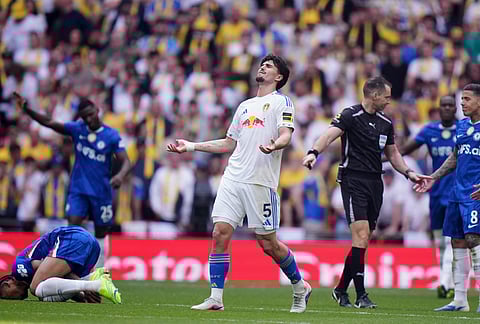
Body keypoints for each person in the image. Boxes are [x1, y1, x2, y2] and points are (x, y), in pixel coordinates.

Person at [167, 54, 312, 313]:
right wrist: (191, 146)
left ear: (278, 77)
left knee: (268, 244)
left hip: (260, 182)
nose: (263, 67)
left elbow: (286, 135)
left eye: (269, 66)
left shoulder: (282, 102)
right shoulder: (244, 105)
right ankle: (216, 297)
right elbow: (228, 143)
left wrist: (273, 145)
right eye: (262, 64)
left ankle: (300, 286)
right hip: (233, 177)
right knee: (219, 232)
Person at [302, 76, 428, 308]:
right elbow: (329, 135)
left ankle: (341, 289)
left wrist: (410, 173)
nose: (389, 101)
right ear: (374, 95)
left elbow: (393, 155)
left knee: (364, 239)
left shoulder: (386, 123)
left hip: (375, 183)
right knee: (360, 236)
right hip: (353, 179)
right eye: (387, 97)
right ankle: (361, 295)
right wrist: (313, 152)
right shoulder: (350, 115)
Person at [13, 92, 131, 268]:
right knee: (72, 229)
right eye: (85, 117)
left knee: (101, 232)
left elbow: (126, 161)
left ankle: (99, 273)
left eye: (91, 114)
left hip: (101, 192)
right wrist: (27, 110)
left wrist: (120, 176)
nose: (89, 119)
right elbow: (49, 123)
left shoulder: (111, 135)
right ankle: (68, 271)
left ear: (97, 110)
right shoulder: (78, 129)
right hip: (78, 190)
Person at [415, 83, 480, 312]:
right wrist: (434, 176)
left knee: (474, 239)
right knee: (457, 241)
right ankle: (460, 300)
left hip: (475, 193)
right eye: (462, 99)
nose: (462, 103)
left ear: (479, 102)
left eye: (467, 99)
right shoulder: (461, 126)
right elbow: (455, 156)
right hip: (457, 192)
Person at [400, 95, 457, 299]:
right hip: (435, 193)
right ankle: (447, 282)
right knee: (440, 241)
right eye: (444, 105)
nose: (448, 108)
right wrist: (379, 158)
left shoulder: (464, 131)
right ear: (439, 108)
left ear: (456, 108)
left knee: (452, 239)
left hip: (456, 193)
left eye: (451, 105)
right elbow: (405, 150)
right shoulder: (429, 131)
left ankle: (446, 282)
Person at [0, 225, 121, 303]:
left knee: (35, 287)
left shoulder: (18, 269)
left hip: (71, 239)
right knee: (45, 295)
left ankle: (94, 283)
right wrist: (83, 297)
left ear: (7, 284)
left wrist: (85, 286)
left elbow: (45, 266)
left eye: (5, 296)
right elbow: (61, 281)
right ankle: (93, 280)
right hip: (90, 244)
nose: (11, 299)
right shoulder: (29, 277)